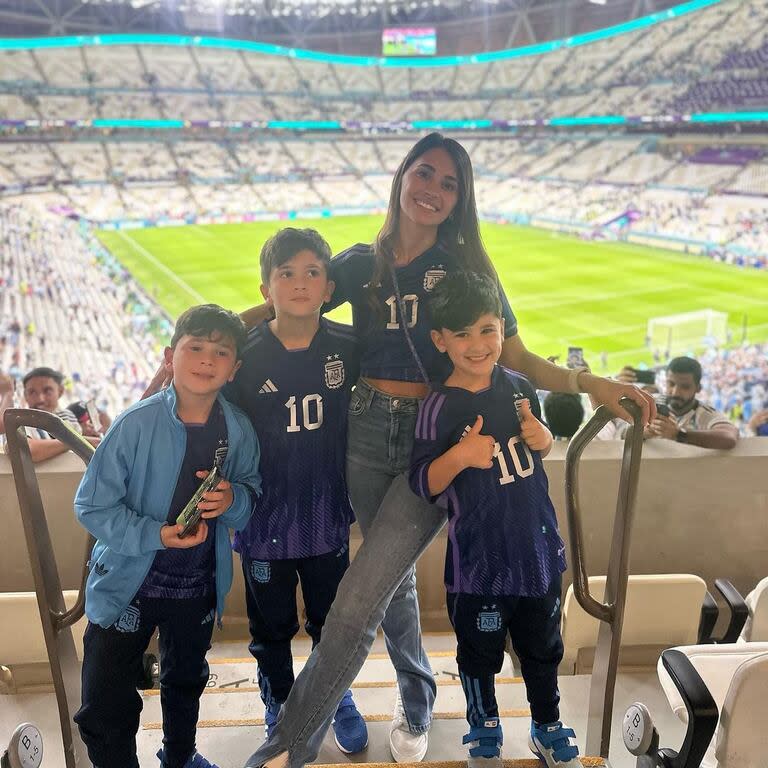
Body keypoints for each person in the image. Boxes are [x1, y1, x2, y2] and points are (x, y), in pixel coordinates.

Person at [187, 133, 651, 768]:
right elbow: (285, 305)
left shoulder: (467, 270)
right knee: (390, 577)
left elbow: (512, 354)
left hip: (436, 434)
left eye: (450, 183)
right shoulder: (360, 262)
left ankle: (290, 742)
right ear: (402, 176)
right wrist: (203, 348)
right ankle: (416, 691)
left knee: (360, 594)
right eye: (424, 173)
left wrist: (586, 382)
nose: (433, 190)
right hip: (366, 429)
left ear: (460, 199)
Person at [73, 304, 261, 768]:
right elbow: (91, 507)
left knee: (186, 680)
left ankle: (179, 755)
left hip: (196, 586)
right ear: (168, 355)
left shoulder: (238, 429)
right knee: (105, 698)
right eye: (194, 347)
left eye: (220, 352)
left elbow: (251, 497)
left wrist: (231, 499)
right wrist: (154, 533)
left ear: (235, 368)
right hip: (126, 587)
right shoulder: (134, 424)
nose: (206, 359)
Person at [408, 272, 580, 768]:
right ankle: (484, 726)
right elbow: (422, 481)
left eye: (486, 329)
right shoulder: (438, 406)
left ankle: (546, 724)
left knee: (543, 647)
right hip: (479, 560)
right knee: (479, 653)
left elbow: (540, 450)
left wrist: (543, 439)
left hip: (536, 550)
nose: (477, 344)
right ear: (441, 341)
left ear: (502, 327)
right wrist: (460, 456)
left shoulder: (520, 386)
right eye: (461, 334)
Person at [223, 228, 367, 754]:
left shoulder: (350, 346)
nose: (300, 283)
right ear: (266, 289)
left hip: (326, 514)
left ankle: (335, 697)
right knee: (271, 629)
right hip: (263, 521)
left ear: (330, 287)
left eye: (312, 273)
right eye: (286, 273)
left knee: (333, 622)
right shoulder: (245, 354)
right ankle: (280, 704)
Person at [0, 366, 100, 462]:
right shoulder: (22, 422)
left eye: (47, 391)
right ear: (25, 396)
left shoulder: (68, 417)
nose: (40, 399)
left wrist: (84, 436)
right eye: (32, 392)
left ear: (60, 391)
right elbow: (27, 449)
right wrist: (79, 441)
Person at [648, 356, 739, 449]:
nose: (675, 392)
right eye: (671, 384)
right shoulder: (651, 402)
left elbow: (729, 437)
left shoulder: (705, 414)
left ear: (698, 388)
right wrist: (643, 432)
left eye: (685, 387)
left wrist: (678, 434)